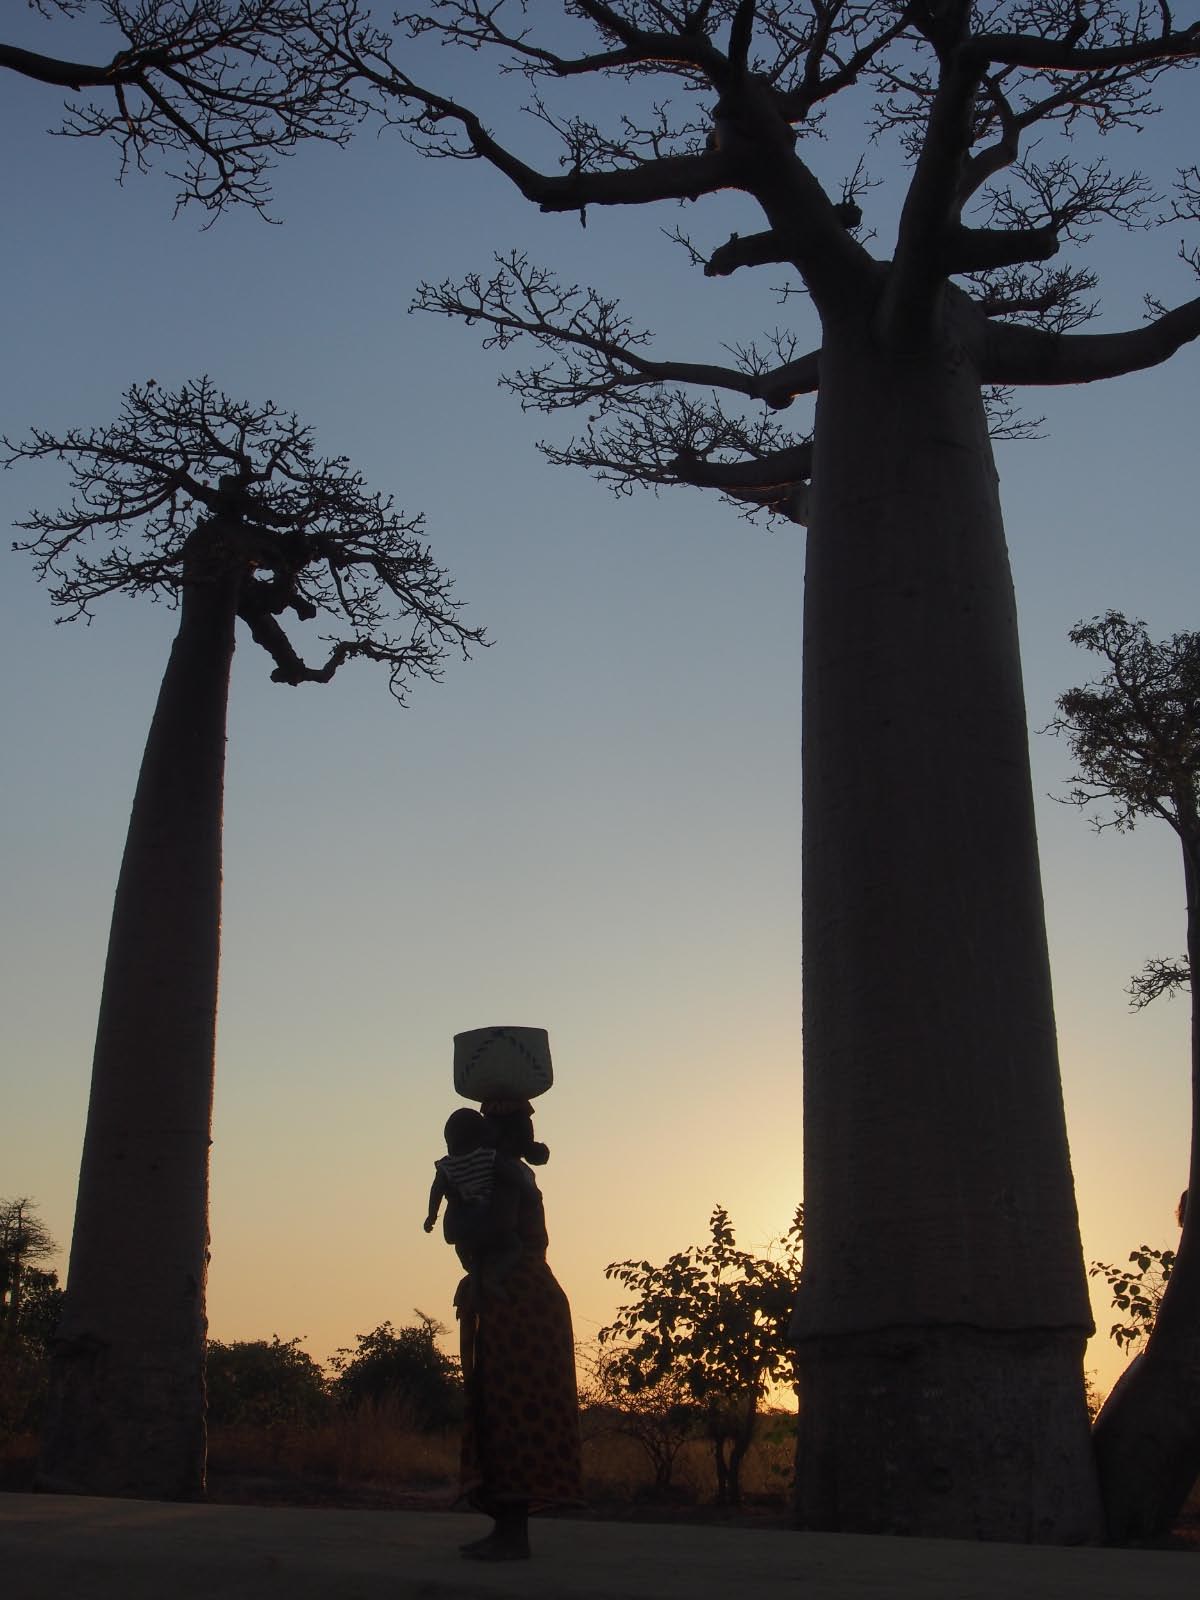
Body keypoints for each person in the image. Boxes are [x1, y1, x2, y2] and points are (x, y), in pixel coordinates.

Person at [452, 1098, 583, 1560]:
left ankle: (511, 1536)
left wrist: (461, 1231)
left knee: (508, 1410)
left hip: (516, 1297)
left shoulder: (505, 1172)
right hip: (534, 1293)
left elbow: (498, 1228)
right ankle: (511, 1533)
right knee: (521, 1408)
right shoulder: (519, 1172)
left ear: (496, 1133)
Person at [424, 1108, 525, 1297]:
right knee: (514, 1246)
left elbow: (436, 1190)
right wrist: (528, 1189)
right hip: (488, 1219)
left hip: (462, 1224)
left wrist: (431, 1216)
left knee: (461, 1247)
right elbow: (513, 1176)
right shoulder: (488, 1156)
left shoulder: (447, 1166)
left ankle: (471, 1269)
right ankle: (494, 1276)